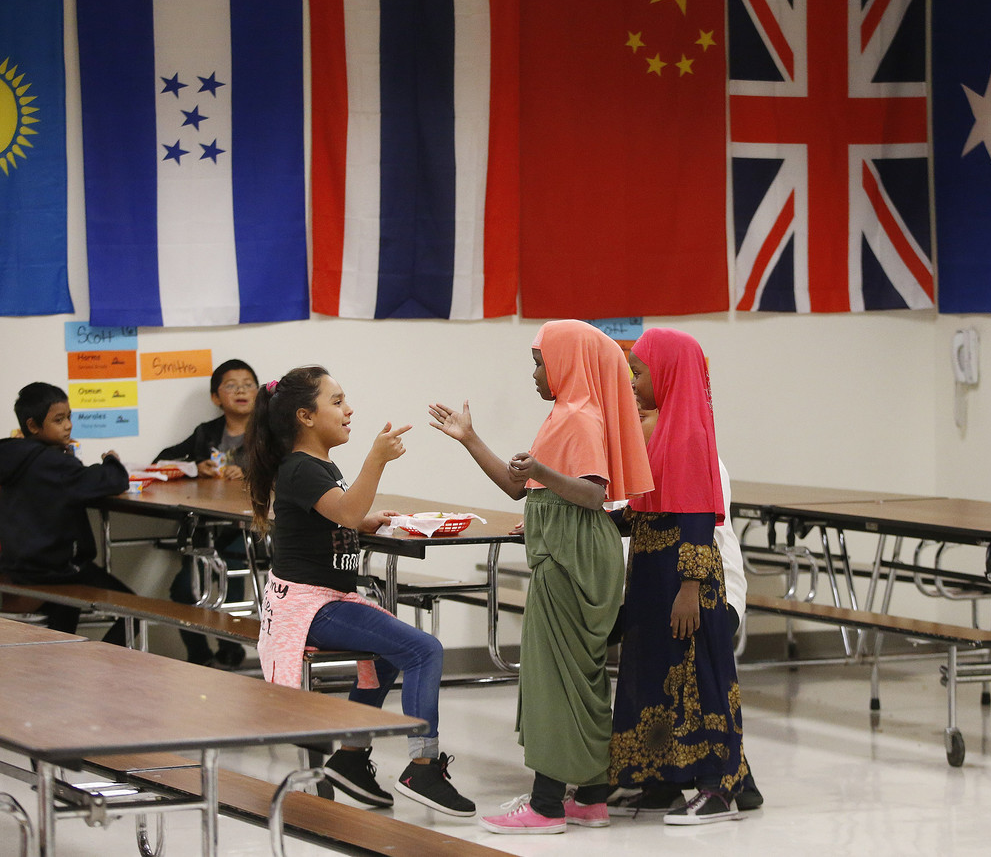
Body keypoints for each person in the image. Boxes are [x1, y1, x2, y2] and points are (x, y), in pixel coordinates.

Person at [430, 319, 652, 835]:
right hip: (573, 544)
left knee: (553, 676)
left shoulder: (577, 415)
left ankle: (547, 805)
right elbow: (517, 486)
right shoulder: (567, 413)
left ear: (567, 362)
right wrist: (470, 439)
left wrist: (544, 481)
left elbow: (593, 493)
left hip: (570, 552)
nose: (533, 373)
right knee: (580, 675)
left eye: (539, 361)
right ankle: (591, 798)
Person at [247, 365, 475, 816]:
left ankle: (349, 759)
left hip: (323, 600)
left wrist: (363, 519)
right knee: (424, 650)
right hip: (310, 607)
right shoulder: (299, 468)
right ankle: (423, 765)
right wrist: (376, 461)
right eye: (337, 401)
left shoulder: (314, 466)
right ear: (305, 417)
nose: (349, 410)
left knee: (392, 654)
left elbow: (340, 514)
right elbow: (347, 513)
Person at [607, 327, 749, 825]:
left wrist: (690, 589)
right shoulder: (662, 432)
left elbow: (695, 516)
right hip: (652, 573)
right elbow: (644, 509)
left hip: (682, 580)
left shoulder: (688, 432)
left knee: (697, 680)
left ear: (668, 373)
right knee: (656, 677)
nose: (633, 382)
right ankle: (662, 778)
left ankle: (715, 787)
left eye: (640, 372)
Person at [0, 382, 133, 643]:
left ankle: (63, 672)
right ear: (33, 426)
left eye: (69, 417)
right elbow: (113, 480)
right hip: (55, 571)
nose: (69, 425)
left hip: (15, 567)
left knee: (65, 615)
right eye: (59, 420)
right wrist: (112, 460)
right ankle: (105, 668)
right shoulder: (53, 464)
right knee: (134, 611)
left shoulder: (11, 455)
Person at [154, 359, 259, 667]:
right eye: (231, 385)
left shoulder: (270, 434)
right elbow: (162, 460)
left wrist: (250, 473)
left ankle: (232, 647)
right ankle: (198, 654)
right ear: (216, 398)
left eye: (248, 384)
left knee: (233, 583)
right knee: (184, 589)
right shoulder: (206, 432)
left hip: (248, 530)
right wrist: (194, 467)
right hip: (205, 527)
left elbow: (288, 471)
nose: (240, 390)